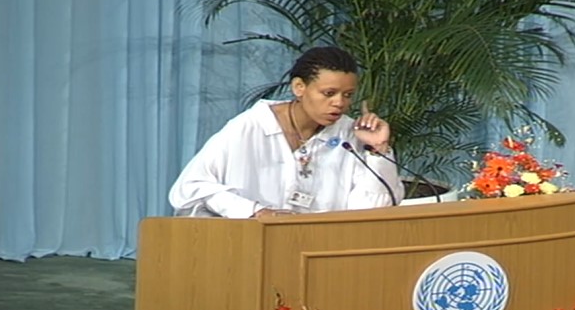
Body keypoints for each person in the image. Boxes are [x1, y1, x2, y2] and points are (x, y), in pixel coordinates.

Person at [168, 46, 405, 218]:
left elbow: (375, 213)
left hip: (323, 251)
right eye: (328, 93)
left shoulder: (350, 134)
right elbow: (190, 188)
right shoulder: (252, 126)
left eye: (347, 95)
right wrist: (254, 212)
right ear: (299, 87)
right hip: (252, 248)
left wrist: (378, 150)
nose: (339, 103)